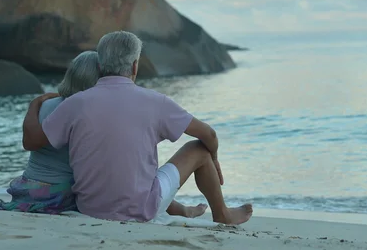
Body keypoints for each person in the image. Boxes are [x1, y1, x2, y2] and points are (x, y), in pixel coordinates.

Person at [22, 31, 253, 224]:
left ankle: (193, 210)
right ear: (134, 66)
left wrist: (36, 103)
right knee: (198, 148)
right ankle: (222, 213)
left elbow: (32, 141)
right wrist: (214, 158)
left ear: (101, 65)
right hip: (142, 209)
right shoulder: (156, 102)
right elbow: (209, 134)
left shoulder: (75, 103)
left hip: (89, 209)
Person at [0, 50, 205, 218]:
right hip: (60, 196)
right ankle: (182, 210)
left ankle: (181, 209)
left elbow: (29, 141)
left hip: (27, 188)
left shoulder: (48, 105)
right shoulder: (85, 114)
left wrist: (34, 104)